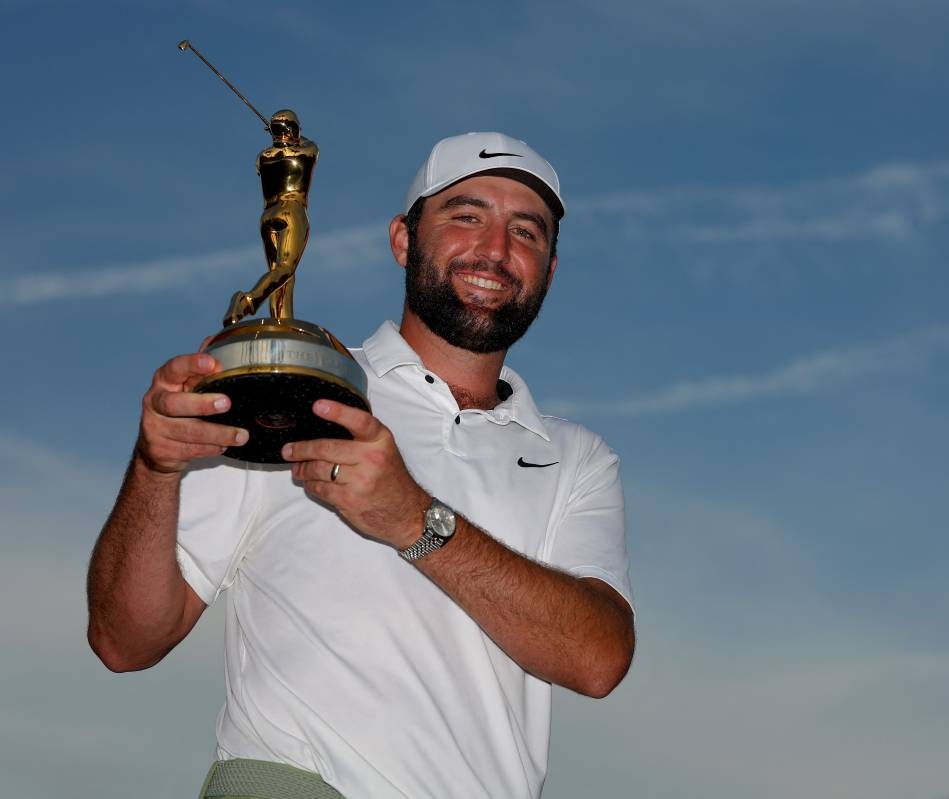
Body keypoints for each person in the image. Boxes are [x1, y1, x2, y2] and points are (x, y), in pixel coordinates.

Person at [86, 132, 635, 799]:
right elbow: (124, 641)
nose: (495, 249)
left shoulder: (575, 456)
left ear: (548, 269)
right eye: (467, 216)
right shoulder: (289, 388)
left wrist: (413, 519)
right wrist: (154, 468)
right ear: (404, 239)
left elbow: (598, 656)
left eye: (527, 231)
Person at [225, 109, 319, 325]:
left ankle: (281, 323)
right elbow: (309, 143)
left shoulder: (264, 157)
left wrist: (276, 134)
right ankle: (247, 300)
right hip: (292, 211)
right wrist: (287, 131)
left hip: (268, 215)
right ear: (293, 129)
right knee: (286, 269)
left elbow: (278, 149)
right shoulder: (305, 152)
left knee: (280, 276)